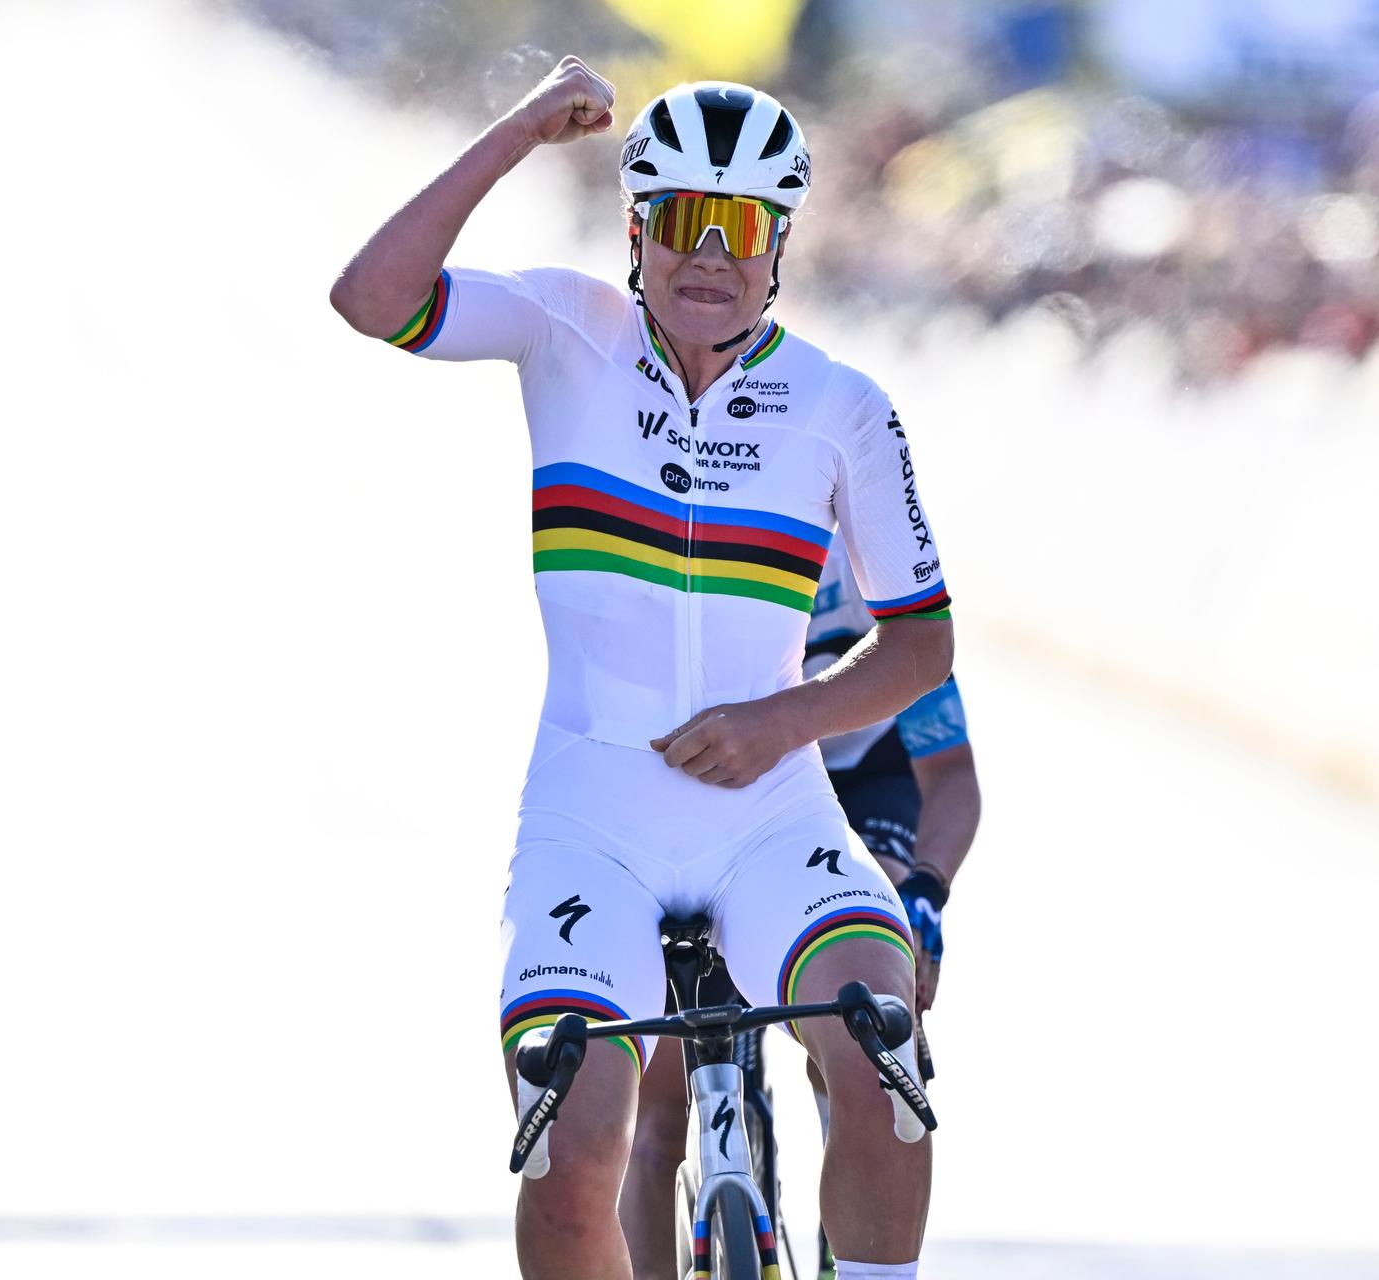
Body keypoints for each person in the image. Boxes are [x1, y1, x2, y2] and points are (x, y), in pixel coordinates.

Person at [329, 58, 955, 1280]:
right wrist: (515, 131)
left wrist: (784, 720)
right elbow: (371, 297)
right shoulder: (567, 328)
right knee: (570, 1162)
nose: (706, 255)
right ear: (636, 227)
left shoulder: (842, 405)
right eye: (678, 219)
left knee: (885, 1057)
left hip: (772, 815)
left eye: (739, 227)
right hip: (592, 818)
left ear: (780, 242)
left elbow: (922, 643)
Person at [622, 539, 982, 1278]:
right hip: (716, 790)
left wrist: (925, 896)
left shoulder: (864, 561)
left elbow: (951, 775)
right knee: (654, 1116)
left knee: (868, 1014)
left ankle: (844, 1223)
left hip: (860, 787)